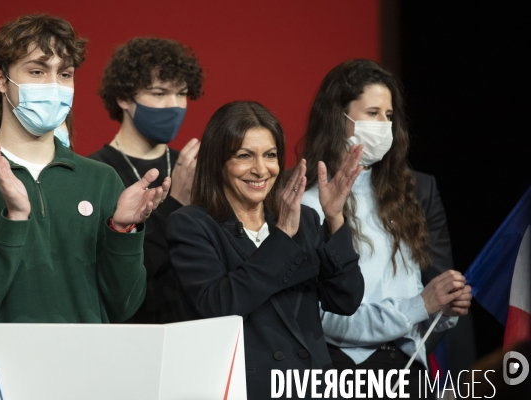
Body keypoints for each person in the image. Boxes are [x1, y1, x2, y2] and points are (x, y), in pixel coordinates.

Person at [0, 15, 170, 399]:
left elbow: (124, 304)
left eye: (65, 74)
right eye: (38, 71)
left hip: (86, 381)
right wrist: (13, 219)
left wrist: (123, 232)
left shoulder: (100, 179)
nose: (54, 87)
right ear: (0, 79)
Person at [167, 101, 365, 398]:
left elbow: (346, 300)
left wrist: (335, 218)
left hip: (311, 387)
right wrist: (283, 234)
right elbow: (219, 306)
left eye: (270, 155)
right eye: (244, 156)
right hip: (244, 389)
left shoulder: (306, 218)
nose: (261, 170)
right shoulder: (191, 224)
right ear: (218, 162)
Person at [298, 59, 472, 398]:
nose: (383, 125)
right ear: (339, 118)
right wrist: (419, 305)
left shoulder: (404, 197)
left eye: (389, 116)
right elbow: (319, 318)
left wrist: (443, 309)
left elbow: (416, 302)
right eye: (372, 113)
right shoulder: (308, 205)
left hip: (412, 372)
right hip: (346, 374)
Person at [89, 37, 203, 324]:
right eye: (159, 93)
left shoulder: (192, 167)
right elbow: (116, 272)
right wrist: (175, 202)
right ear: (124, 98)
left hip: (194, 329)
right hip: (130, 331)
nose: (174, 105)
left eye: (182, 94)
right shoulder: (96, 171)